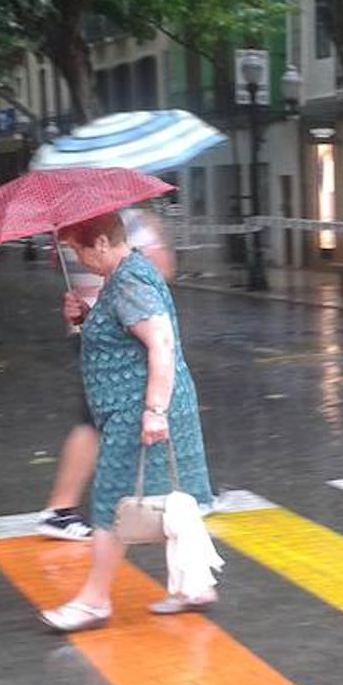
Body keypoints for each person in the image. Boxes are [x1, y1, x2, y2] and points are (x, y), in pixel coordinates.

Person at [40, 211, 215, 631]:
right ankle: (195, 586)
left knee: (111, 504)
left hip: (139, 413)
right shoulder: (122, 277)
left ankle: (94, 600)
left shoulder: (131, 281)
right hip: (136, 410)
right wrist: (85, 317)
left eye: (79, 249)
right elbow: (123, 336)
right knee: (176, 497)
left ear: (101, 243)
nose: (78, 260)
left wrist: (154, 412)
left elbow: (161, 344)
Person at [35, 207, 175, 541]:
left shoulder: (123, 260)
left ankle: (166, 494)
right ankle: (68, 509)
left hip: (119, 349)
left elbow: (156, 336)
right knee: (99, 424)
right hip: (116, 351)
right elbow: (164, 273)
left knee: (101, 423)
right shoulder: (127, 226)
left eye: (77, 251)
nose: (77, 260)